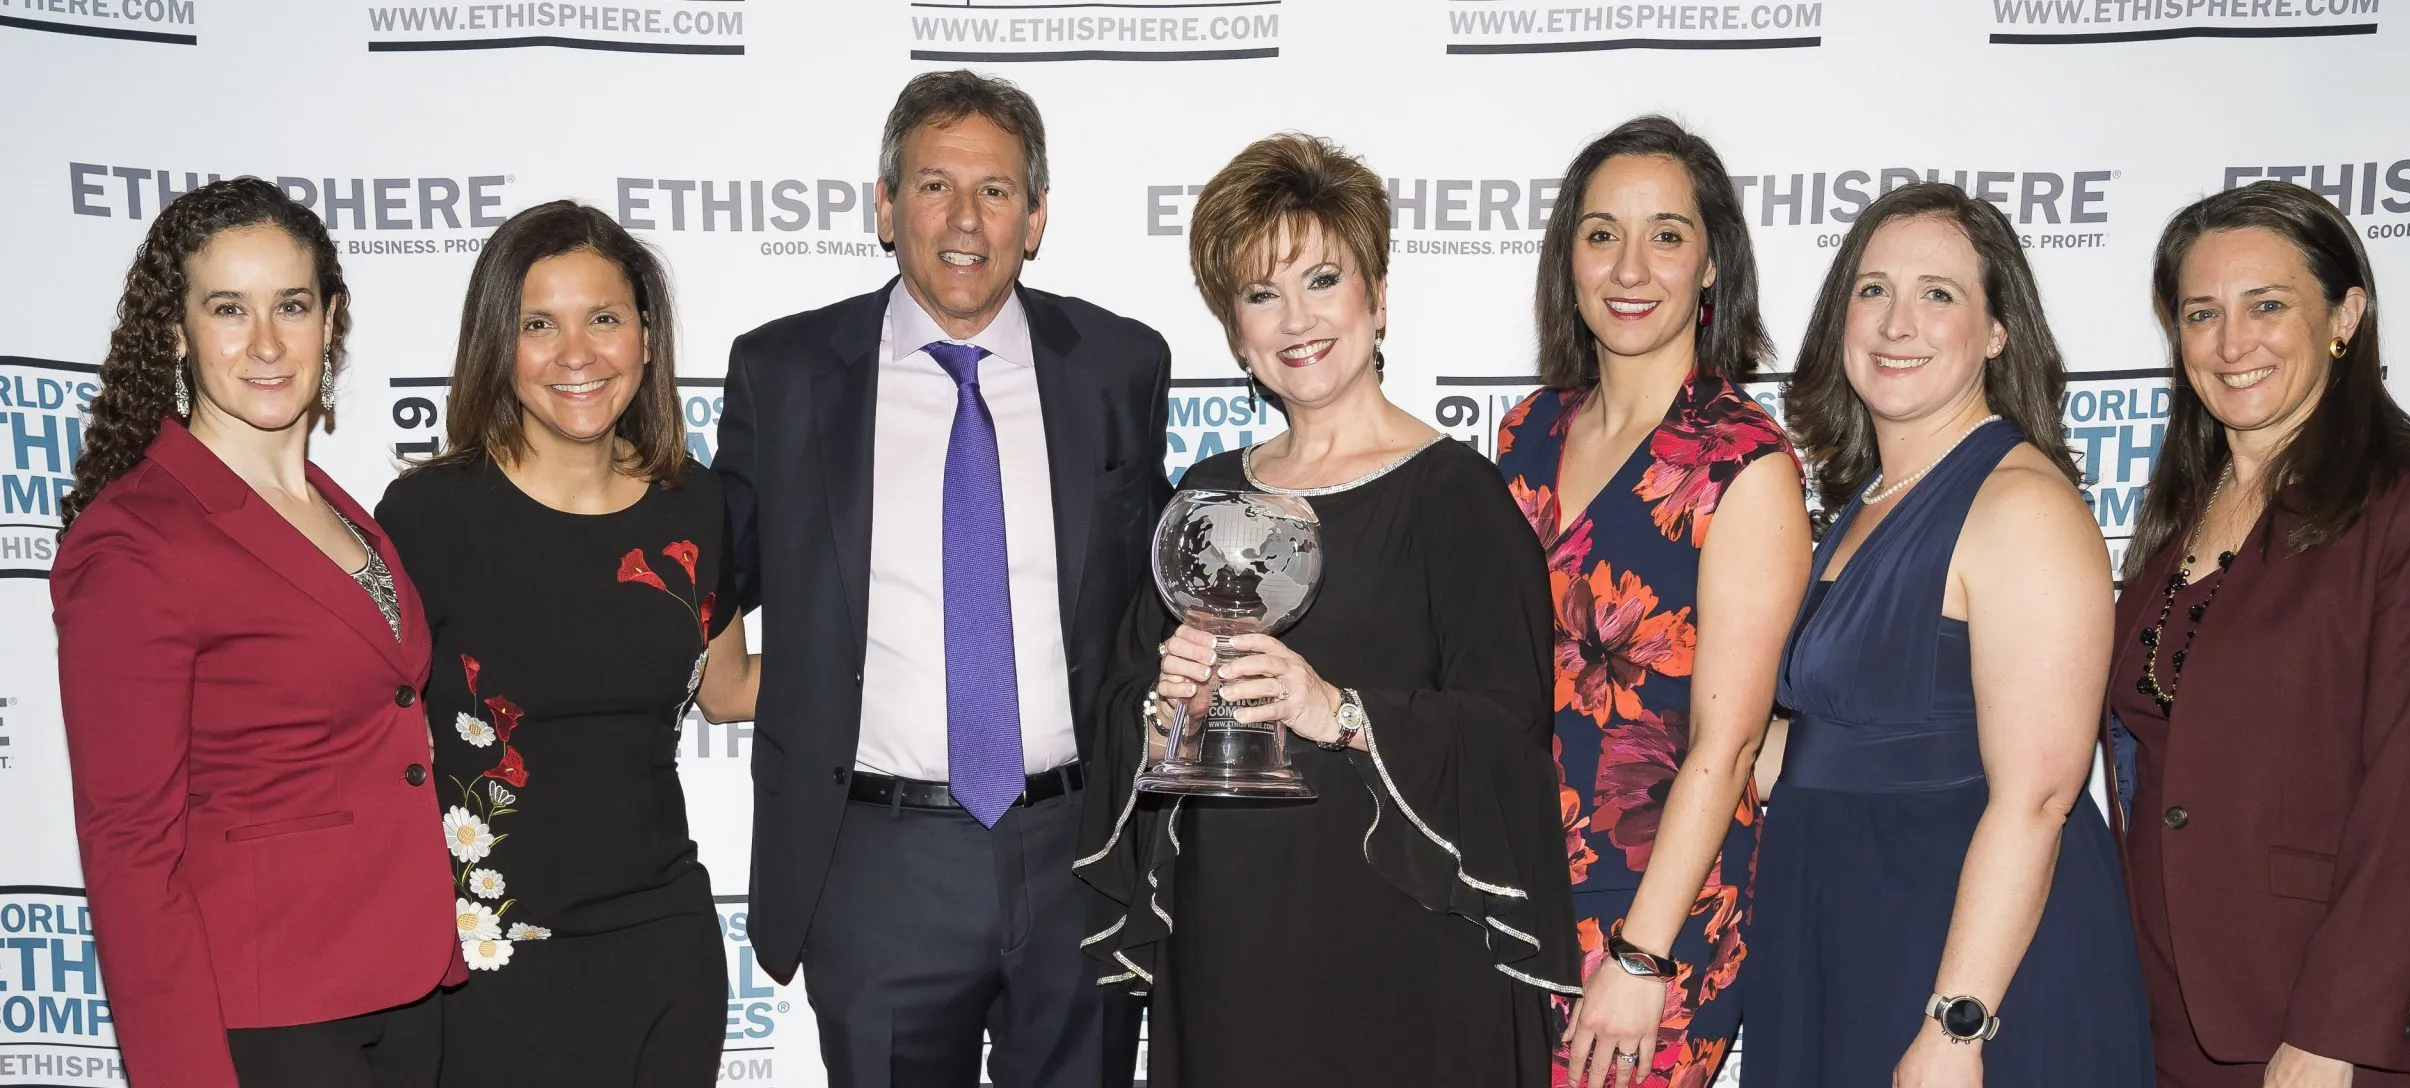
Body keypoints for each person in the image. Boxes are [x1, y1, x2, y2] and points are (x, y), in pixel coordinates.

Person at [1076, 131, 1581, 1088]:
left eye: (1322, 279)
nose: (1296, 319)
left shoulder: (1456, 497)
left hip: (1408, 952)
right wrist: (1165, 711)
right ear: (1235, 332)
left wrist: (1335, 711)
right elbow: (1122, 709)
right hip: (1229, 942)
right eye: (1261, 294)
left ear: (1378, 298)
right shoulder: (1207, 496)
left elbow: (1509, 733)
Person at [712, 69, 1165, 1088]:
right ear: (885, 206)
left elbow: (1163, 579)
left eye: (995, 190)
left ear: (1034, 217)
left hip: (1079, 853)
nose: (965, 219)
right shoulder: (785, 373)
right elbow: (700, 568)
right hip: (878, 865)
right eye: (933, 186)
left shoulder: (1117, 365)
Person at [52, 176, 461, 1088]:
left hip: (405, 982)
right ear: (176, 330)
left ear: (330, 322)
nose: (267, 344)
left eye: (293, 306)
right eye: (229, 308)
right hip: (271, 1009)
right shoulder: (137, 539)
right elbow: (128, 847)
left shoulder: (340, 510)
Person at [1749, 181, 2152, 1086]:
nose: (1898, 323)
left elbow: (2039, 797)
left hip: (1967, 964)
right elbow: (1828, 741)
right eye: (1873, 289)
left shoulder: (2022, 507)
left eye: (1938, 294)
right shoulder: (1865, 505)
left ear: (1998, 330)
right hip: (1845, 933)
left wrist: (1957, 1024)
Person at [2110, 181, 2410, 1087]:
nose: (2232, 343)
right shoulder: (2182, 511)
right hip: (2169, 1004)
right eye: (2202, 313)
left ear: (2345, 316)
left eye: (2268, 306)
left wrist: (2335, 1030)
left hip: (2332, 1020)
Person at [371, 200, 754, 1087]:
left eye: (604, 319)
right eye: (538, 325)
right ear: (497, 347)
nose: (576, 354)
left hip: (661, 949)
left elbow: (730, 687)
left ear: (646, 338)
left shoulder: (694, 503)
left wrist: (904, 657)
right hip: (488, 959)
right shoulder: (428, 517)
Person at [1492, 115, 1808, 1088]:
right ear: (1569, 257)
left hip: (1656, 908)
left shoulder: (1742, 464)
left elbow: (1731, 743)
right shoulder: (1527, 431)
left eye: (1666, 234)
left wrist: (1640, 957)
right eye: (1602, 234)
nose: (1630, 267)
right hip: (1513, 888)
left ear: (1711, 265)